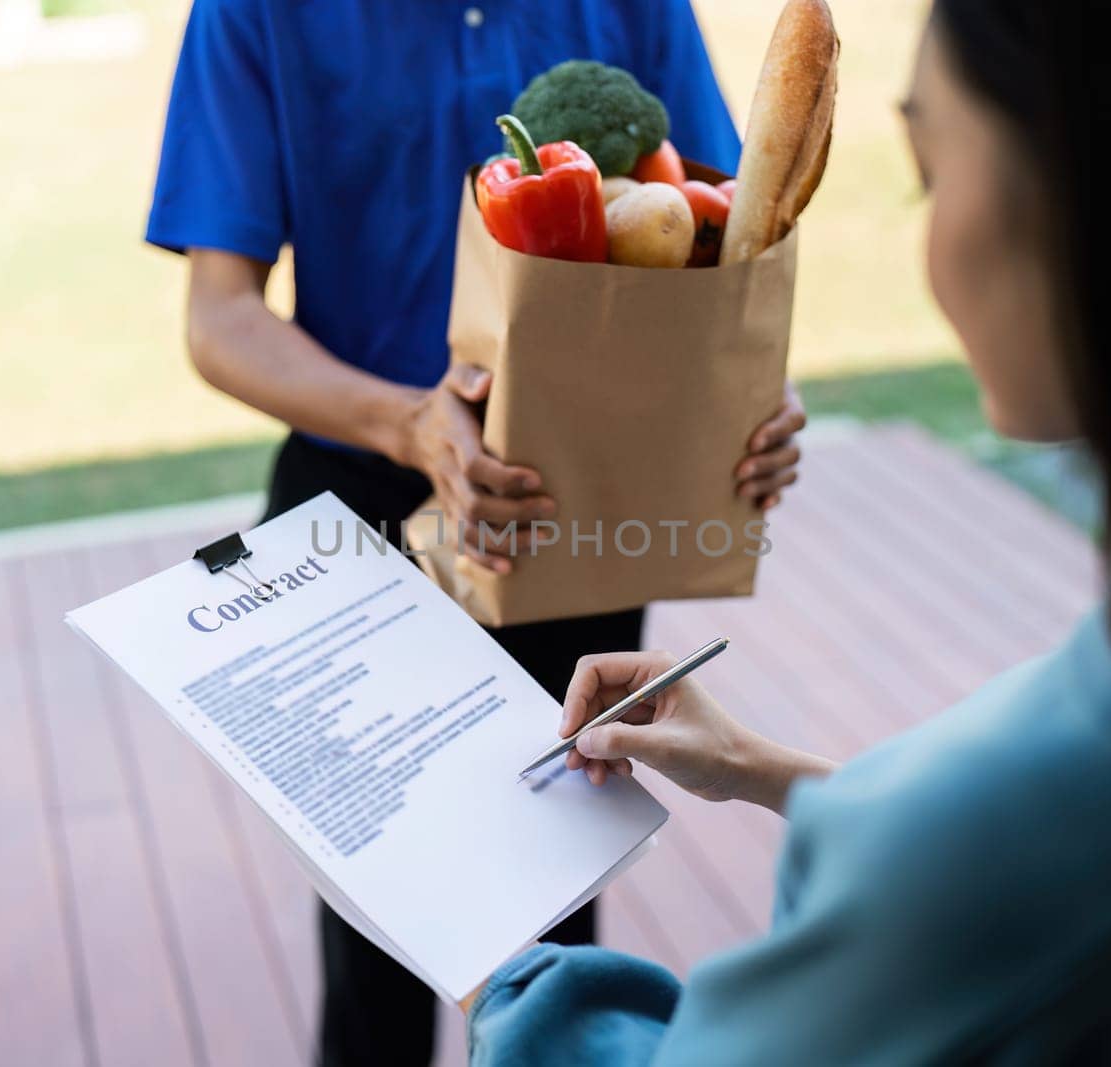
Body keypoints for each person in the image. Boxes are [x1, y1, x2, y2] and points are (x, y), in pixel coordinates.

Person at [463, 0, 1111, 1062]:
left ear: (1087, 204)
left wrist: (501, 963)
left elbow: (1004, 874)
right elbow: (1044, 860)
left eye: (928, 171)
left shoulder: (993, 854)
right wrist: (753, 762)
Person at [144, 3, 807, 1064]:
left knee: (557, 927)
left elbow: (726, 242)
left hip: (572, 513)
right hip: (355, 518)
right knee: (382, 941)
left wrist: (754, 401)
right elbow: (218, 318)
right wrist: (411, 423)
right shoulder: (253, 13)